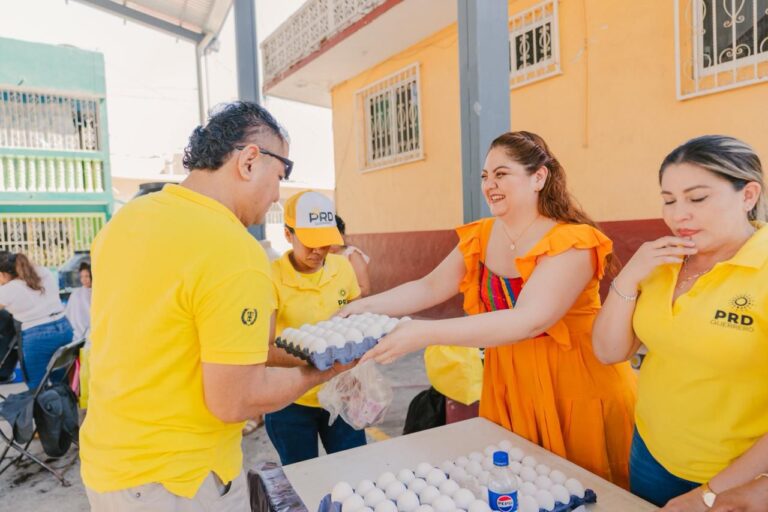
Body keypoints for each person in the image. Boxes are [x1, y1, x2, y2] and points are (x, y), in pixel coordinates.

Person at [80, 102, 353, 511]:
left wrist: (315, 345)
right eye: (281, 177)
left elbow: (202, 339)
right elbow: (236, 400)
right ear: (248, 161)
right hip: (179, 481)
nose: (277, 196)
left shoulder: (126, 221)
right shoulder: (234, 251)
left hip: (107, 466)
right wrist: (322, 371)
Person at [342, 131, 637, 487]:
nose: (489, 184)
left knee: (583, 491)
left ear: (538, 178)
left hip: (575, 387)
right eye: (485, 176)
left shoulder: (572, 241)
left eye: (501, 174)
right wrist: (364, 306)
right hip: (509, 383)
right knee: (518, 487)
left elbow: (529, 320)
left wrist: (422, 332)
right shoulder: (481, 236)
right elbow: (430, 286)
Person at [592, 135, 768, 510]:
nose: (677, 215)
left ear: (748, 195)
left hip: (736, 474)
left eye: (697, 198)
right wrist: (628, 278)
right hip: (650, 452)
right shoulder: (663, 261)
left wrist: (708, 494)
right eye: (668, 200)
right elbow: (609, 352)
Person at [265, 191, 366, 464]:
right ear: (288, 234)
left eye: (324, 243)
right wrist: (318, 356)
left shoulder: (342, 269)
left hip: (341, 392)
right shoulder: (270, 278)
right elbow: (264, 349)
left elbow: (357, 322)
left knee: (354, 471)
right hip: (290, 401)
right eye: (310, 243)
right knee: (303, 478)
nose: (318, 251)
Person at [0, 252, 73, 389]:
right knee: (61, 383)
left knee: (37, 387)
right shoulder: (43, 272)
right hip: (64, 329)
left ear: (3, 273)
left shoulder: (8, 290)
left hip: (39, 337)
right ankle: (64, 408)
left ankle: (42, 410)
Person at [330, 214, 371, 296]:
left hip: (349, 304)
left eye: (332, 235)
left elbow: (365, 289)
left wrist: (338, 296)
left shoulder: (352, 254)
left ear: (342, 235)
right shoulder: (320, 256)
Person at [65, 262, 92, 341]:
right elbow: (70, 313)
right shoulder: (76, 294)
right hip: (77, 334)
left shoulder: (98, 292)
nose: (84, 279)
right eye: (82, 276)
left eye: (86, 276)